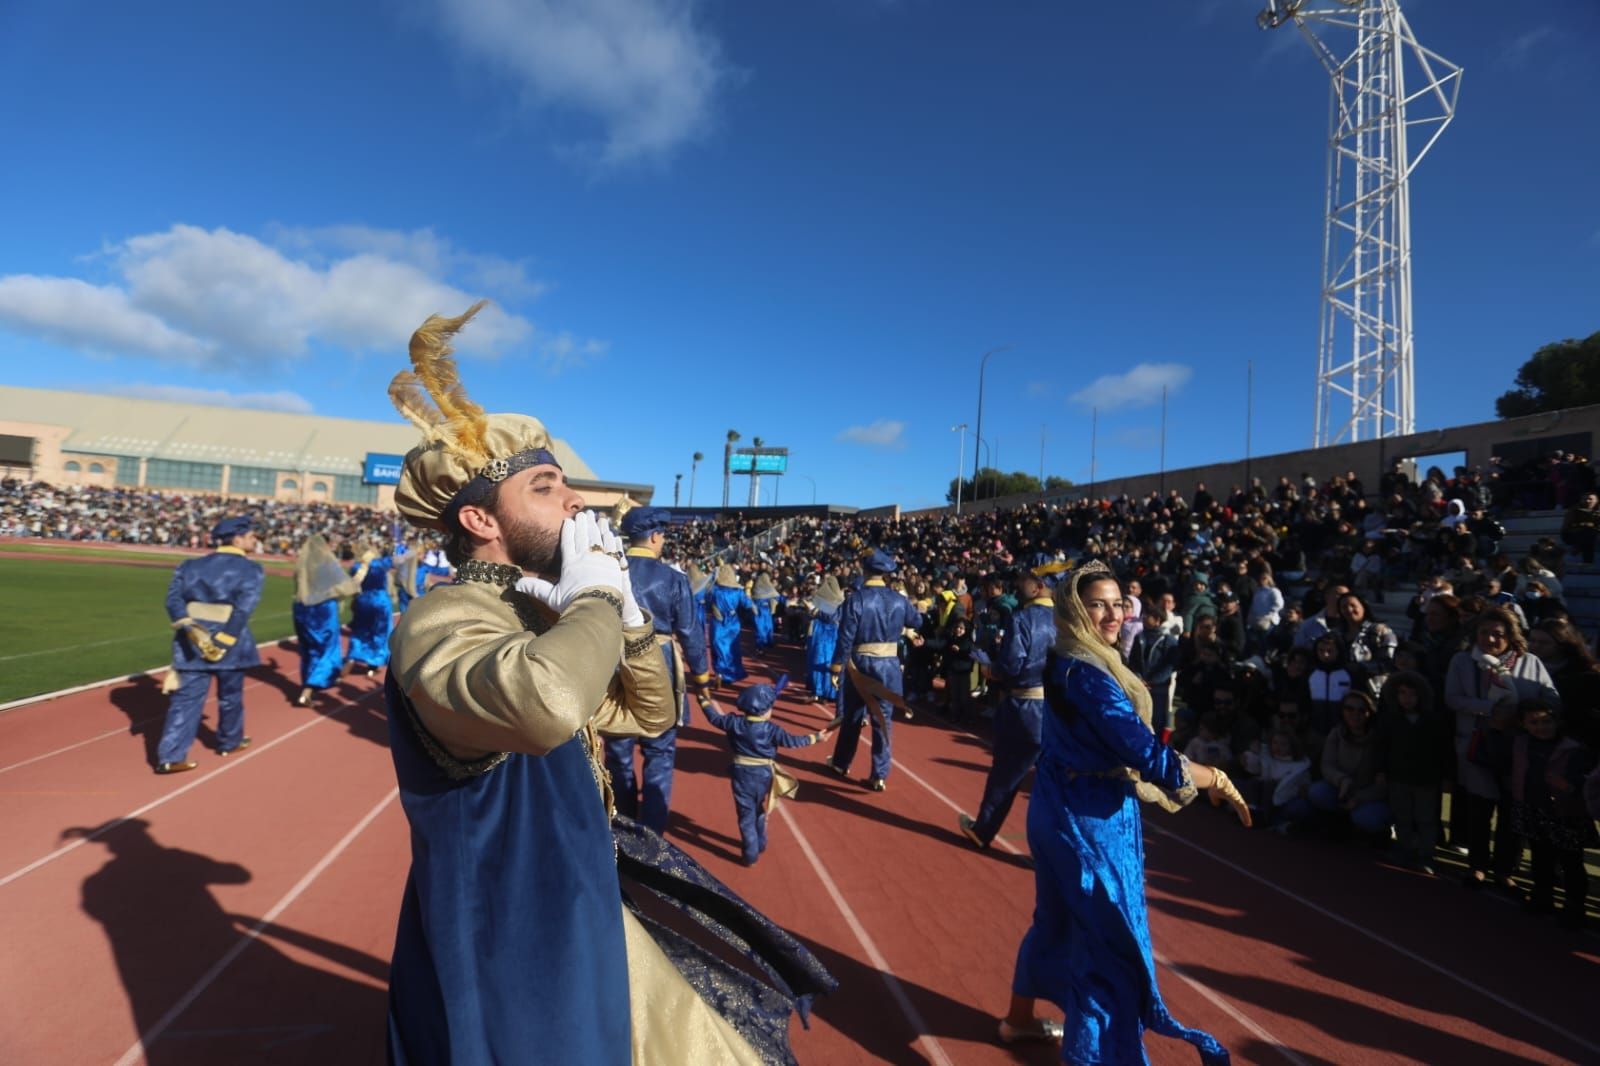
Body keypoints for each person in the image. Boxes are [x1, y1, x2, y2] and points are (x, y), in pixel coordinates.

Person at [381, 306, 831, 1064]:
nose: (577, 503)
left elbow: (653, 710)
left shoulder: (539, 607)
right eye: (548, 487)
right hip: (511, 923)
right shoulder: (442, 616)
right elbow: (547, 705)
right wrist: (591, 594)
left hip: (578, 895)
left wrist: (623, 612)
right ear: (479, 519)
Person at [999, 559, 1247, 1062]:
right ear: (1075, 608)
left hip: (1054, 804)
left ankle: (1018, 1021)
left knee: (1053, 922)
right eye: (1098, 605)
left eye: (1118, 603)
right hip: (1091, 822)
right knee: (1107, 946)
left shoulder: (1068, 654)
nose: (1112, 614)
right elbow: (1147, 755)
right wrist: (1214, 777)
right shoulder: (1088, 673)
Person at [601, 506, 713, 835]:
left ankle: (621, 821)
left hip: (615, 660)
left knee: (618, 750)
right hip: (659, 660)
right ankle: (651, 834)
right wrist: (702, 676)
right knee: (660, 751)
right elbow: (691, 634)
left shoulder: (609, 574)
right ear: (654, 536)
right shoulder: (675, 580)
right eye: (662, 535)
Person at [1444, 607, 1561, 890]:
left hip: (1518, 748)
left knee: (1512, 811)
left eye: (1498, 634)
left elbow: (1551, 698)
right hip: (1477, 744)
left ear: (1510, 635)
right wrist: (1489, 709)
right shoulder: (1463, 661)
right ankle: (1478, 866)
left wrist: (1522, 715)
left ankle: (1505, 870)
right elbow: (1452, 698)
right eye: (1484, 633)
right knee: (1480, 810)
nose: (1490, 640)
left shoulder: (1529, 662)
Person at [154, 515, 265, 774]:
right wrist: (225, 640)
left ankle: (170, 756)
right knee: (230, 697)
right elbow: (243, 609)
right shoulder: (252, 569)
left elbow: (173, 601)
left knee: (185, 700)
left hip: (191, 642)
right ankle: (229, 741)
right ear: (238, 539)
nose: (254, 541)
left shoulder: (189, 566)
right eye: (251, 537)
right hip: (233, 644)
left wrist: (190, 628)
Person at [960, 565, 1056, 849]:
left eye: (1024, 580)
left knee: (1006, 774)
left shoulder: (1023, 619)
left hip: (1024, 706)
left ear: (1037, 585)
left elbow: (1010, 666)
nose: (1018, 584)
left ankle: (984, 829)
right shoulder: (1069, 620)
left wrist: (989, 668)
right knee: (1054, 783)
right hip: (1057, 710)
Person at [699, 679, 834, 865]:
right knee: (759, 807)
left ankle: (750, 853)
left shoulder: (733, 722)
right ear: (766, 710)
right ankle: (761, 841)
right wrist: (816, 738)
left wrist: (704, 701)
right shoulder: (772, 730)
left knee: (745, 814)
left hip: (741, 774)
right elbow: (793, 741)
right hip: (764, 775)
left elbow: (714, 718)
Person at [826, 549, 923, 792]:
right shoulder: (899, 600)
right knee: (883, 720)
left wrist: (836, 666)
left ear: (865, 571)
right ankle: (879, 775)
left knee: (853, 717)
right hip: (889, 666)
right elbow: (917, 622)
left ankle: (841, 763)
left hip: (861, 665)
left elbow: (845, 636)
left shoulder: (856, 599)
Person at [292, 534, 371, 707]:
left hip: (301, 610)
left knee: (309, 650)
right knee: (327, 649)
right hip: (322, 611)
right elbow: (348, 587)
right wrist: (363, 570)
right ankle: (309, 690)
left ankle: (315, 683)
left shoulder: (303, 565)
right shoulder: (327, 564)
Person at [345, 541, 396, 677]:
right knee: (379, 633)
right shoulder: (381, 564)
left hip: (363, 601)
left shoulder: (356, 567)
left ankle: (353, 655)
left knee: (361, 631)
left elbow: (354, 585)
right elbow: (394, 559)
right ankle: (373, 664)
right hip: (381, 601)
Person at [709, 564, 753, 683]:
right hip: (733, 622)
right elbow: (747, 604)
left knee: (718, 647)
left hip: (718, 622)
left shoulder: (714, 590)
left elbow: (706, 603)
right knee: (733, 648)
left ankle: (720, 672)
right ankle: (731, 673)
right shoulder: (738, 591)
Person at [806, 575, 844, 702]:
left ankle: (821, 691)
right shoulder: (832, 600)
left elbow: (832, 618)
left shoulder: (838, 601)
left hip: (824, 634)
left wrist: (815, 611)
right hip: (828, 634)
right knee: (823, 661)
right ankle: (823, 691)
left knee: (821, 660)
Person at [751, 572, 780, 649]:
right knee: (761, 628)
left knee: (768, 627)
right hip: (760, 610)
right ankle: (760, 645)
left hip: (765, 610)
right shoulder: (758, 588)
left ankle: (768, 642)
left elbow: (776, 596)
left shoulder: (769, 588)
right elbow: (776, 596)